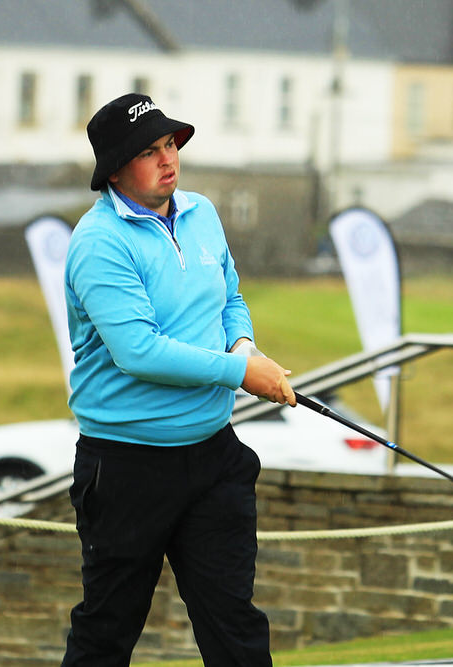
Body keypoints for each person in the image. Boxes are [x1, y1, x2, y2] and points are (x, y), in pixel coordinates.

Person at [60, 92, 295, 666]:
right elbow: (139, 352)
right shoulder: (99, 243)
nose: (169, 159)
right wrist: (243, 372)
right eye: (149, 151)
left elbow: (230, 296)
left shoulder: (201, 213)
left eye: (170, 144)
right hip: (125, 467)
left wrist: (242, 343)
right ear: (115, 170)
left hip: (212, 459)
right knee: (107, 634)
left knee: (234, 623)